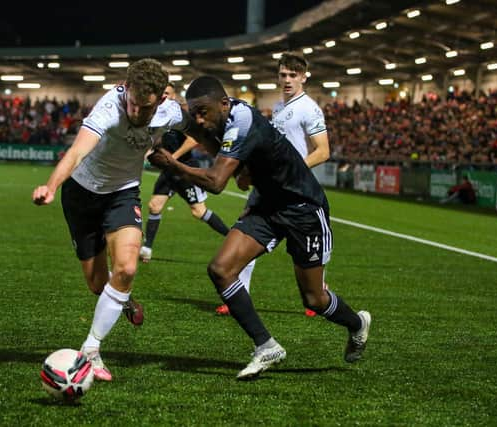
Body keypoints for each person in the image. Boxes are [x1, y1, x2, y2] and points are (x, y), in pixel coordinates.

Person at [148, 75, 371, 380]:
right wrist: (179, 121)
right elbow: (212, 142)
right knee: (221, 269)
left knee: (314, 299)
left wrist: (172, 164)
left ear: (224, 103)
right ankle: (266, 345)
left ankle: (357, 324)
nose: (200, 118)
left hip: (303, 208)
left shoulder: (242, 121)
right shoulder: (223, 117)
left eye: (204, 112)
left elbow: (216, 182)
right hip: (267, 206)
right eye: (195, 112)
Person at [32, 58, 191, 382]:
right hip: (81, 194)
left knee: (128, 267)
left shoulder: (171, 112)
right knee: (95, 283)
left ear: (161, 100)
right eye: (132, 104)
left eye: (144, 109)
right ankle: (125, 301)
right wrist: (50, 186)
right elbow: (76, 153)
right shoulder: (108, 110)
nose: (135, 113)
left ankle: (91, 349)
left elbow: (201, 125)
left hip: (122, 193)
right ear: (126, 90)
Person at [215, 51, 330, 317]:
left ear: (303, 77)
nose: (287, 79)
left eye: (293, 75)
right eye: (283, 74)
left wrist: (294, 169)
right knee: (245, 235)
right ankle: (237, 296)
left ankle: (320, 292)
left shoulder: (309, 108)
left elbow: (323, 151)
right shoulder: (279, 108)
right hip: (268, 187)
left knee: (305, 248)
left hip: (295, 190)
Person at [139, 84, 230, 263]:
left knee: (198, 211)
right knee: (155, 206)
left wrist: (172, 159)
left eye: (166, 93)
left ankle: (232, 237)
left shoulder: (181, 114)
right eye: (161, 92)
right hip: (169, 169)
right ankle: (146, 249)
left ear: (173, 96)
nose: (163, 95)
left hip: (186, 169)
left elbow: (192, 140)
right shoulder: (157, 115)